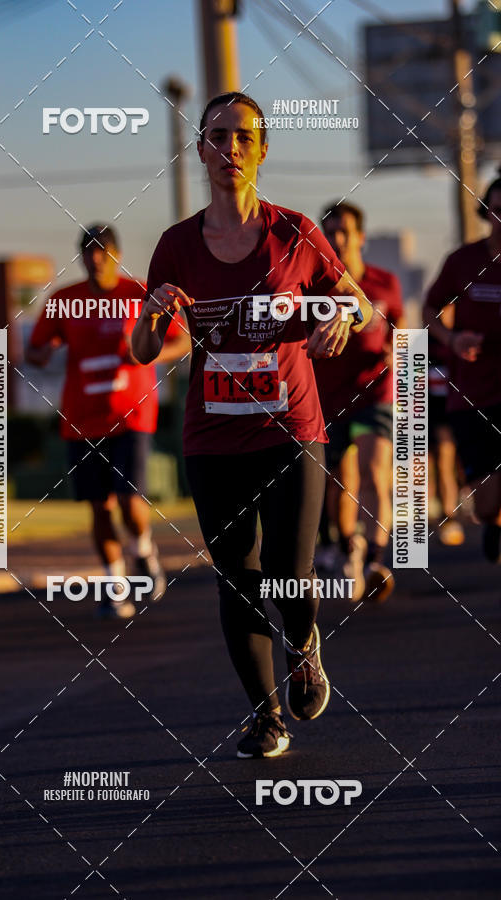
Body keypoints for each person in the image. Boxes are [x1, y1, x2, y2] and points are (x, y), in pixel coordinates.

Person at [132, 92, 372, 759]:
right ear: (200, 148)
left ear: (262, 150)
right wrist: (152, 312)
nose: (229, 149)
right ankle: (267, 718)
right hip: (213, 439)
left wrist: (341, 318)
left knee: (292, 576)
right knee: (236, 576)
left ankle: (305, 644)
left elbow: (359, 302)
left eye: (243, 137)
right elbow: (144, 352)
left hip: (293, 431)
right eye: (216, 137)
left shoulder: (294, 232)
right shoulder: (176, 245)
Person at [27, 224, 190, 617]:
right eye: (88, 251)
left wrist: (149, 356)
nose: (95, 258)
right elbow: (33, 350)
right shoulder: (65, 300)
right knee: (99, 507)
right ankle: (114, 584)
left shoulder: (139, 293)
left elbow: (182, 340)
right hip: (81, 420)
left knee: (131, 502)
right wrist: (43, 352)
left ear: (116, 254)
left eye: (102, 251)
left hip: (132, 414)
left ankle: (144, 551)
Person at [313, 202, 405, 603]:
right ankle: (350, 547)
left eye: (345, 231)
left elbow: (402, 333)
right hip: (328, 398)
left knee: (372, 468)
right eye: (330, 231)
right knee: (339, 480)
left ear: (360, 237)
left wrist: (395, 354)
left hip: (375, 392)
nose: (337, 239)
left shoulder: (384, 283)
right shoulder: (315, 287)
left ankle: (377, 561)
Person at [423, 168, 501, 564]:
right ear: (486, 213)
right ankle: (493, 521)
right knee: (487, 504)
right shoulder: (463, 261)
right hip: (471, 395)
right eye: (498, 211)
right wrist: (452, 339)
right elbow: (429, 308)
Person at [427, 320, 465, 546]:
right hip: (438, 409)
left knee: (462, 462)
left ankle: (469, 498)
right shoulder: (426, 339)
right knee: (443, 458)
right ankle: (449, 516)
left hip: (466, 407)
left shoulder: (466, 331)